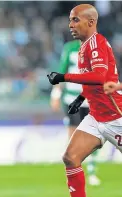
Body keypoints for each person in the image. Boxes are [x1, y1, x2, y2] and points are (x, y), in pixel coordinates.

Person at [47, 4, 122, 197]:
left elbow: (99, 77)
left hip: (115, 116)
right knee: (70, 157)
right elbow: (95, 81)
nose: (70, 25)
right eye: (70, 20)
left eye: (75, 20)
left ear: (91, 22)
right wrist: (81, 98)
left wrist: (63, 77)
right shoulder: (82, 47)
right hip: (96, 117)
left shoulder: (97, 43)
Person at [50, 40, 101, 186]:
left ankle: (92, 171)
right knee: (73, 134)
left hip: (91, 98)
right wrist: (55, 94)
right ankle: (73, 171)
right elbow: (61, 70)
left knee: (93, 134)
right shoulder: (70, 48)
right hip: (71, 98)